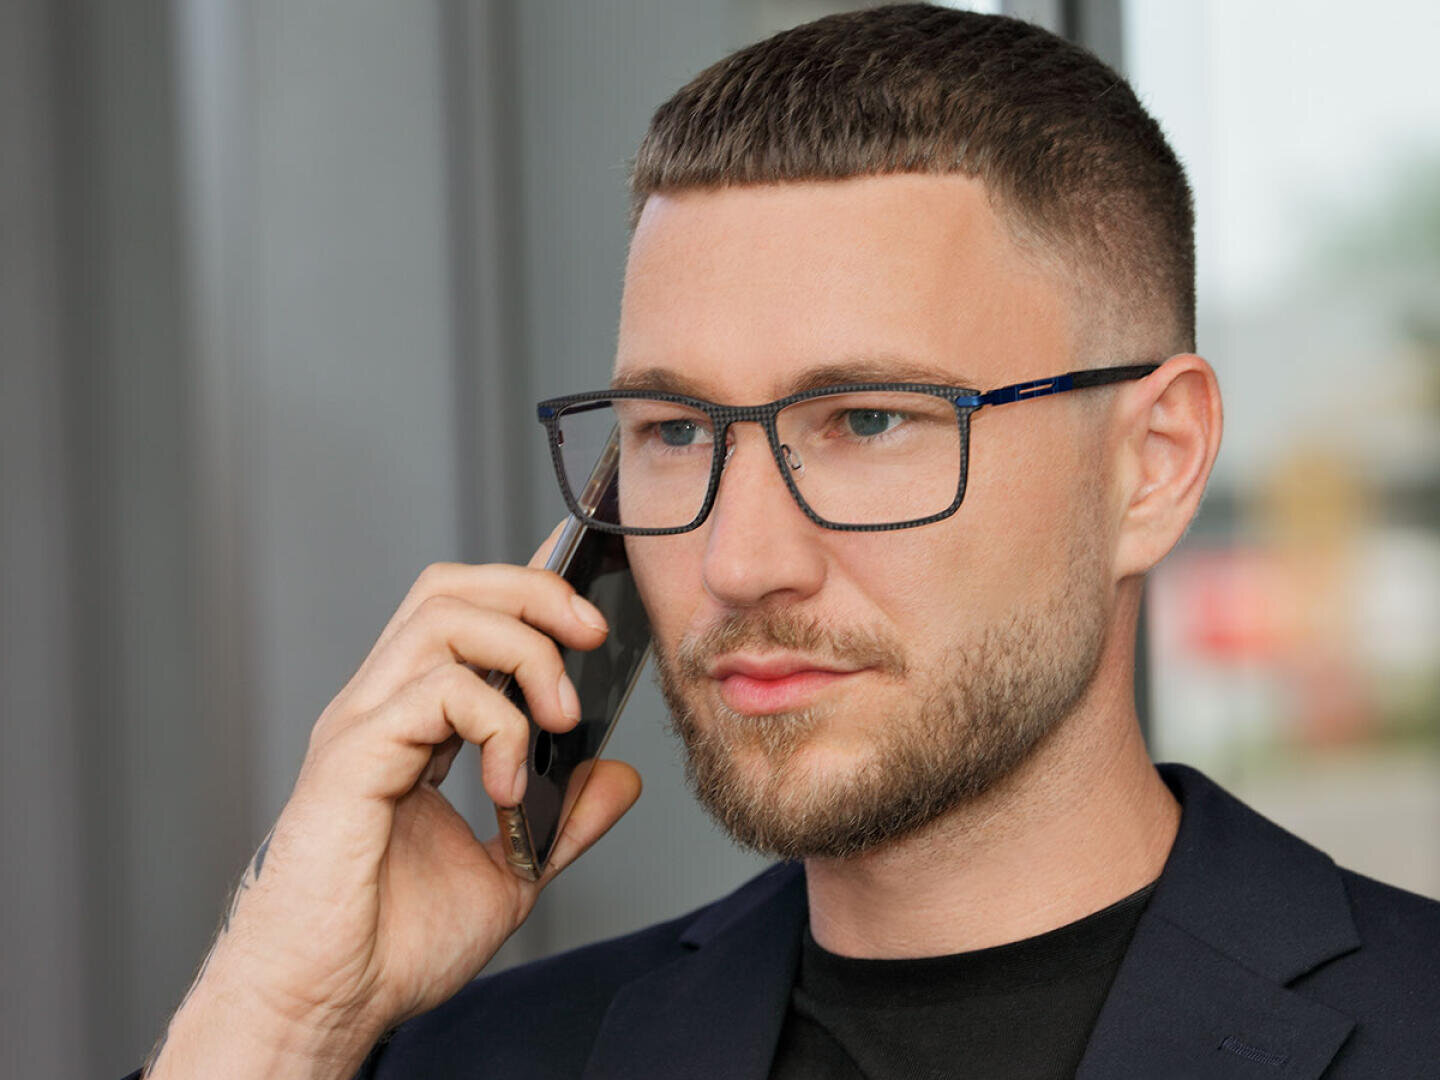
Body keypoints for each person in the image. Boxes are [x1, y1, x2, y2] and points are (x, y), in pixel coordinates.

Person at [135, 6, 1440, 1078]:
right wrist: (277, 1019)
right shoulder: (479, 1059)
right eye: (677, 431)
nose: (743, 560)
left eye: (868, 419)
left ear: (1152, 466)